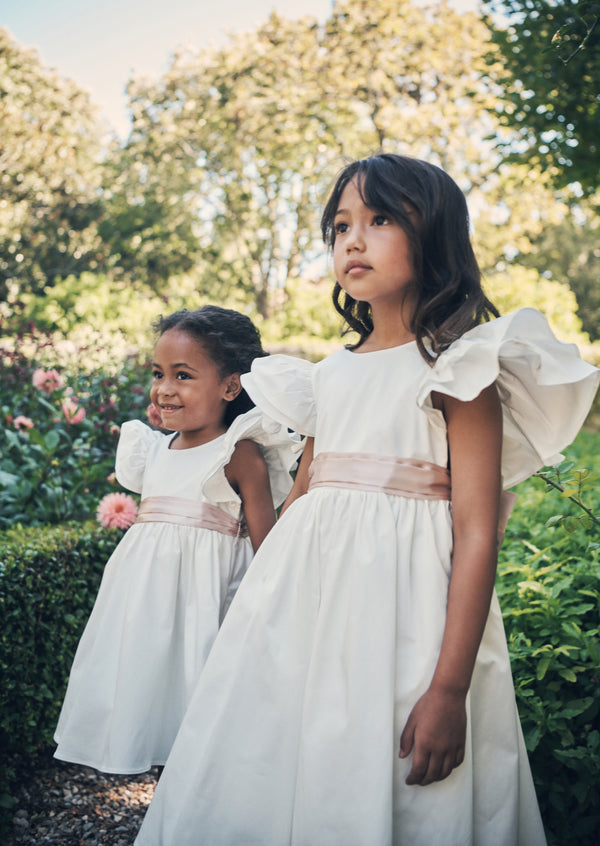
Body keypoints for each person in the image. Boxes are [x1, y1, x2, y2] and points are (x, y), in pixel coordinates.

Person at [134, 155, 599, 845]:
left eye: (380, 219)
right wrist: (250, 621)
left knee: (388, 775)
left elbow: (475, 532)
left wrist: (447, 690)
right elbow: (301, 504)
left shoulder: (458, 368)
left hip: (405, 623)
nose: (353, 239)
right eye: (341, 224)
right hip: (303, 619)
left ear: (433, 235)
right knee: (275, 764)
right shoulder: (325, 376)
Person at [54, 305, 298, 775]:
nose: (164, 388)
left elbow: (268, 545)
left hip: (205, 602)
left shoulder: (238, 452)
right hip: (145, 602)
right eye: (158, 373)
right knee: (148, 687)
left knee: (202, 700)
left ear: (230, 386)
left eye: (183, 375)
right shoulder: (154, 449)